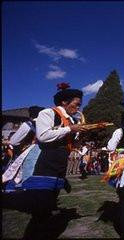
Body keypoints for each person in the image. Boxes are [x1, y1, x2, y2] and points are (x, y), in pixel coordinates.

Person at [2, 83, 87, 239]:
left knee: (46, 207)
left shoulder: (71, 121)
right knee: (40, 206)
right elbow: (43, 136)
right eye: (76, 104)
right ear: (64, 102)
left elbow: (69, 143)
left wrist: (78, 136)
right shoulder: (48, 113)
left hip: (59, 164)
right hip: (45, 162)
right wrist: (70, 130)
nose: (78, 108)